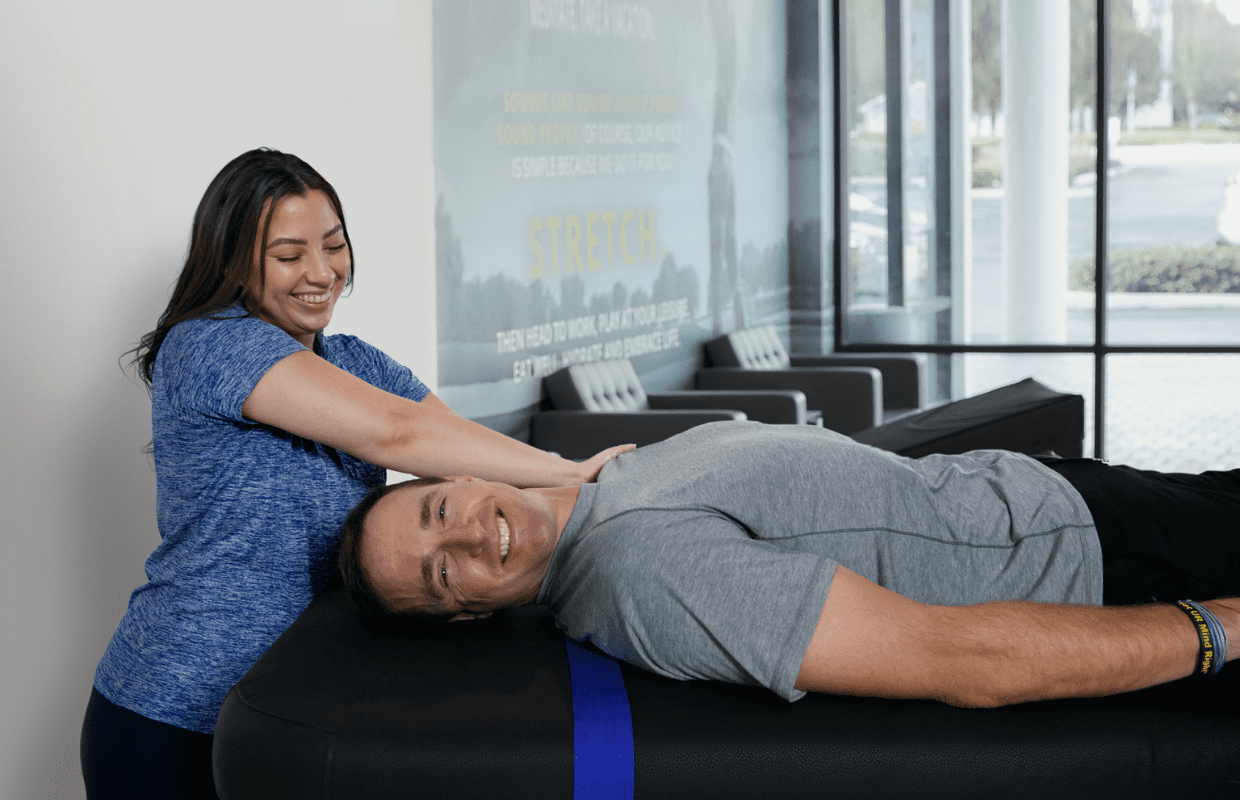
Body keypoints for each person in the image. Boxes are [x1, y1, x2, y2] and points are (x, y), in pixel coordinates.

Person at [81, 148, 631, 800]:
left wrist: (587, 496)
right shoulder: (208, 343)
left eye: (334, 245)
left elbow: (455, 456)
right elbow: (400, 435)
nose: (321, 273)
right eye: (288, 256)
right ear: (232, 263)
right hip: (171, 712)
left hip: (291, 710)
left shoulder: (356, 362)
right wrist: (570, 470)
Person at [340, 420, 1238, 710]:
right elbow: (960, 661)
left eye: (437, 513)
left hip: (1060, 499)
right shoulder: (638, 572)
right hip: (1106, 566)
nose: (463, 539)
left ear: (455, 477)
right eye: (441, 574)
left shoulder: (607, 482)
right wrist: (1220, 629)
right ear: (465, 616)